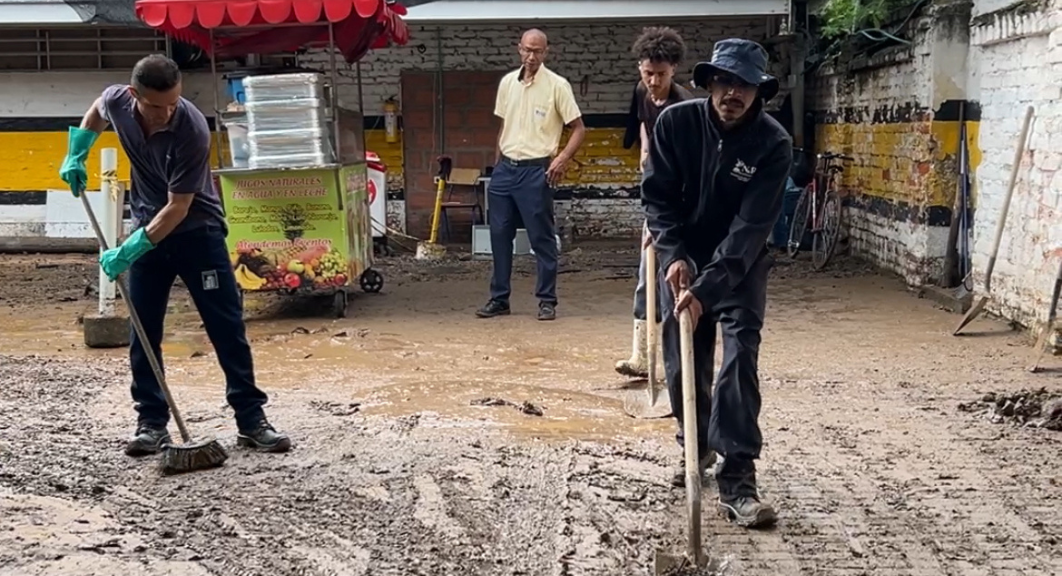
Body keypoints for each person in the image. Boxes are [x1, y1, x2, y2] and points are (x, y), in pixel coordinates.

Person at [58, 54, 291, 456]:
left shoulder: (191, 127)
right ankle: (151, 424)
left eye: (173, 102)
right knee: (143, 331)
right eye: (156, 105)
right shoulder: (119, 102)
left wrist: (129, 249)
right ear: (135, 96)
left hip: (197, 233)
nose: (167, 112)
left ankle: (251, 420)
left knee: (226, 328)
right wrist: (78, 150)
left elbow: (178, 207)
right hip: (149, 227)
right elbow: (99, 107)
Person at [641, 38, 792, 528]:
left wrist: (706, 290)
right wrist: (673, 252)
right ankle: (697, 445)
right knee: (684, 361)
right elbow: (659, 197)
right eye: (725, 81)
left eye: (745, 84)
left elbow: (750, 230)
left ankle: (739, 478)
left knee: (740, 356)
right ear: (708, 83)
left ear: (758, 92)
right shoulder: (675, 124)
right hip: (684, 258)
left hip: (739, 266)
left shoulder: (772, 143)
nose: (733, 92)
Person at [476, 28, 586, 322]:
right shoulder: (507, 84)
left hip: (536, 171)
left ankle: (547, 300)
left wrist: (562, 158)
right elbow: (504, 124)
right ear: (519, 49)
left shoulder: (557, 86)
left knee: (541, 238)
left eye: (538, 51)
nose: (532, 56)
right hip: (505, 171)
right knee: (499, 236)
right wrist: (497, 162)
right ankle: (499, 299)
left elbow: (578, 127)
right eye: (527, 50)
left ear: (546, 52)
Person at [614, 26, 694, 379]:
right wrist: (645, 150)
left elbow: (692, 171)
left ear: (673, 70)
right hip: (656, 196)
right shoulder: (641, 93)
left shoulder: (687, 106)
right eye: (648, 73)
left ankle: (682, 362)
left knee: (676, 283)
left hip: (684, 204)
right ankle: (642, 358)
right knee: (646, 280)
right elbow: (645, 126)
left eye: (660, 75)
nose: (653, 81)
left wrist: (661, 226)